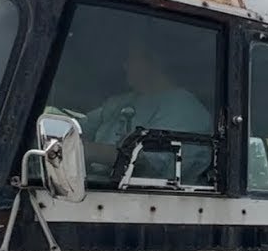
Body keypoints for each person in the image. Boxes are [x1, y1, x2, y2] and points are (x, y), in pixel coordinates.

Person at [80, 34, 212, 183]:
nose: (125, 65)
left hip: (142, 193)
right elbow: (81, 126)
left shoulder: (184, 108)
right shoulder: (119, 102)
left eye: (131, 58)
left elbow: (150, 165)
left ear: (155, 61)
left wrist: (90, 151)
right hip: (93, 184)